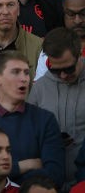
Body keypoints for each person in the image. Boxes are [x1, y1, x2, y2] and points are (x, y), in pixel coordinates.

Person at [0, 53, 63, 185]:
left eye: (26, 73)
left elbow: (55, 175)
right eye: (16, 72)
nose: (24, 79)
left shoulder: (45, 120)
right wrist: (23, 166)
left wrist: (0, 176)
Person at [27, 28, 85, 180]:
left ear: (80, 54)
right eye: (56, 70)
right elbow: (29, 133)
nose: (63, 75)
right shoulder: (39, 89)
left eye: (69, 68)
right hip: (50, 182)